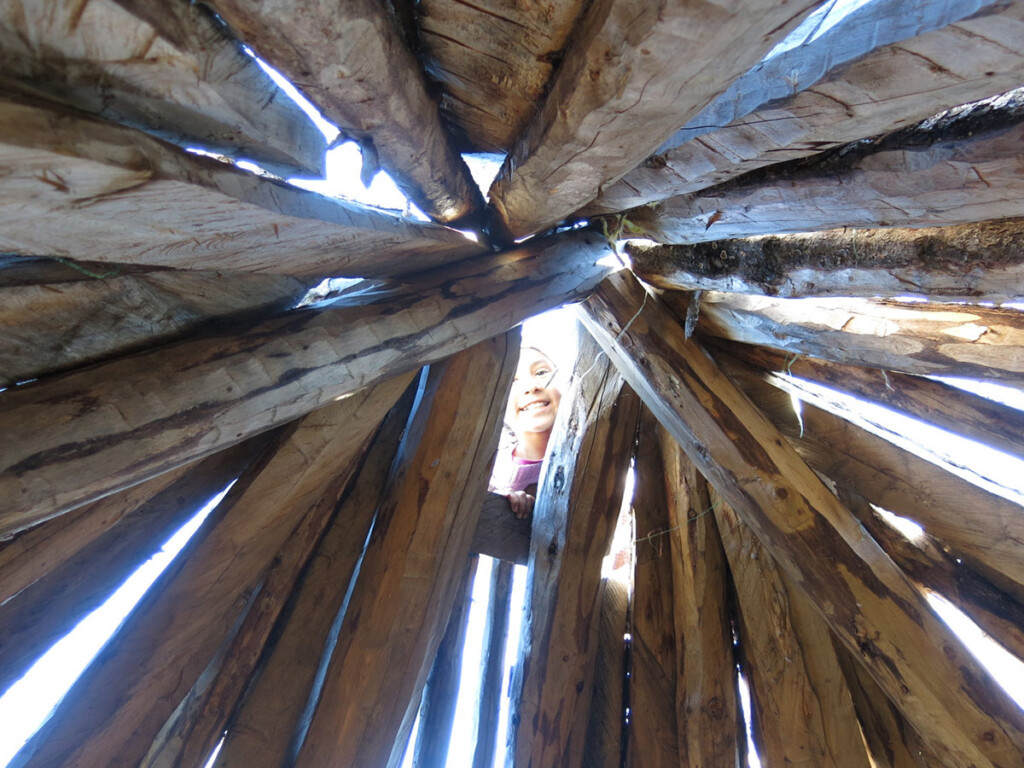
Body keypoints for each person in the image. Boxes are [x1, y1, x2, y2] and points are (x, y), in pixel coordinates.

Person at [490, 346, 562, 519]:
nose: (531, 387)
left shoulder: (592, 455)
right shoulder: (490, 472)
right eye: (512, 380)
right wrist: (503, 503)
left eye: (541, 373)